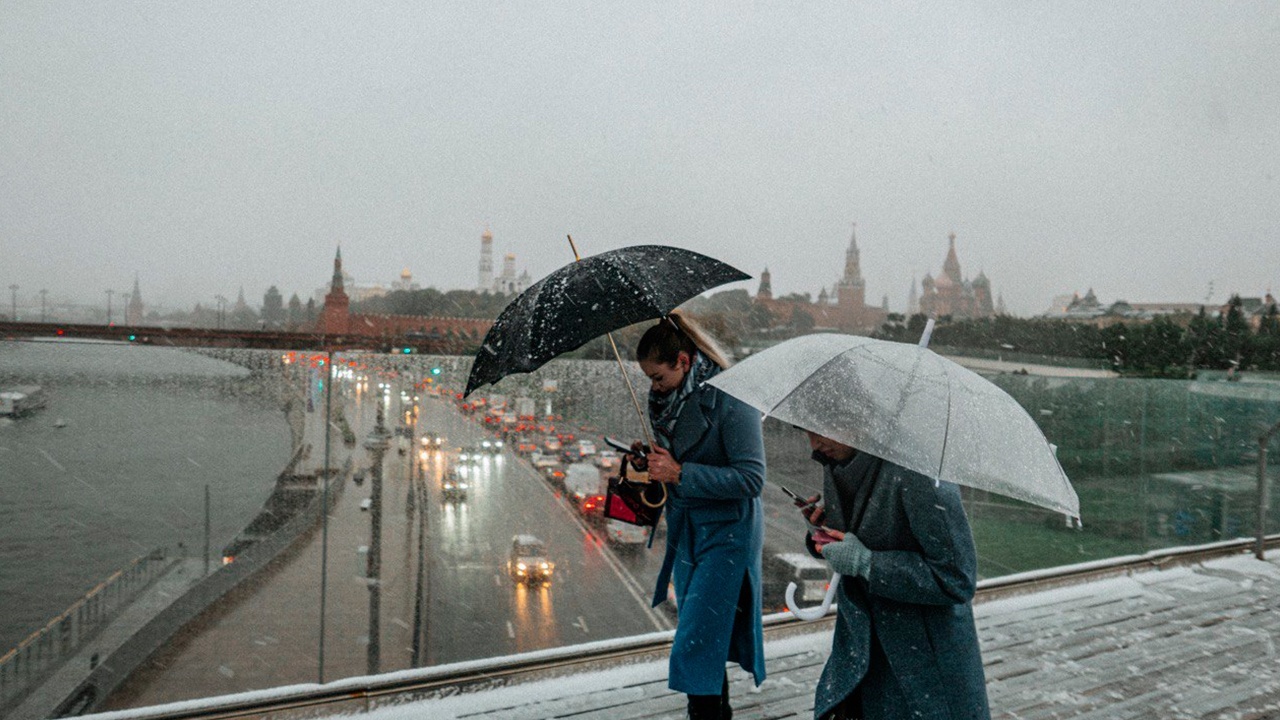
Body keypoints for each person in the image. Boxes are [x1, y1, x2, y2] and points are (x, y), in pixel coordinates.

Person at [628, 310, 766, 720]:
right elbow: (677, 459)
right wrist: (652, 460)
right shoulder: (668, 402)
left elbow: (751, 478)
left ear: (684, 362)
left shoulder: (732, 397)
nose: (653, 387)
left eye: (658, 377)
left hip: (728, 534)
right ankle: (715, 713)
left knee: (694, 641)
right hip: (688, 531)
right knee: (705, 639)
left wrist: (680, 472)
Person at [800, 430, 990, 720]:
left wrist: (867, 563)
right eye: (806, 431)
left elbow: (956, 578)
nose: (814, 443)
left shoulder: (918, 469)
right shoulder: (846, 461)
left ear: (856, 417)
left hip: (920, 668)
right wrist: (830, 532)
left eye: (821, 431)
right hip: (865, 656)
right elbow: (878, 534)